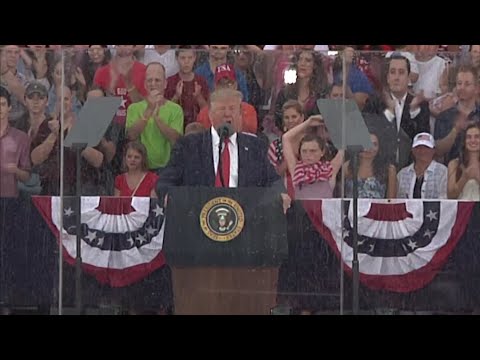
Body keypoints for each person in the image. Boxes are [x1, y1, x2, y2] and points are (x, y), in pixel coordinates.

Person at [156, 88, 281, 198]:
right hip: (200, 216)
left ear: (240, 115)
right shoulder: (189, 145)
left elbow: (273, 180)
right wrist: (168, 195)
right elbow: (165, 181)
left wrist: (281, 194)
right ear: (210, 115)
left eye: (232, 109)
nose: (227, 114)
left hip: (245, 216)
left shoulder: (255, 146)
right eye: (221, 109)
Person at [397, 132, 447, 199]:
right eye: (418, 147)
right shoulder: (402, 174)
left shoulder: (443, 172)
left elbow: (444, 199)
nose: (422, 151)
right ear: (412, 150)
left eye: (426, 147)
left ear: (433, 150)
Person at [447, 123, 480, 200]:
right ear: (464, 141)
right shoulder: (454, 164)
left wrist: (478, 176)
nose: (473, 140)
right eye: (468, 137)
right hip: (462, 210)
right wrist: (464, 177)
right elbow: (451, 195)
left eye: (477, 137)